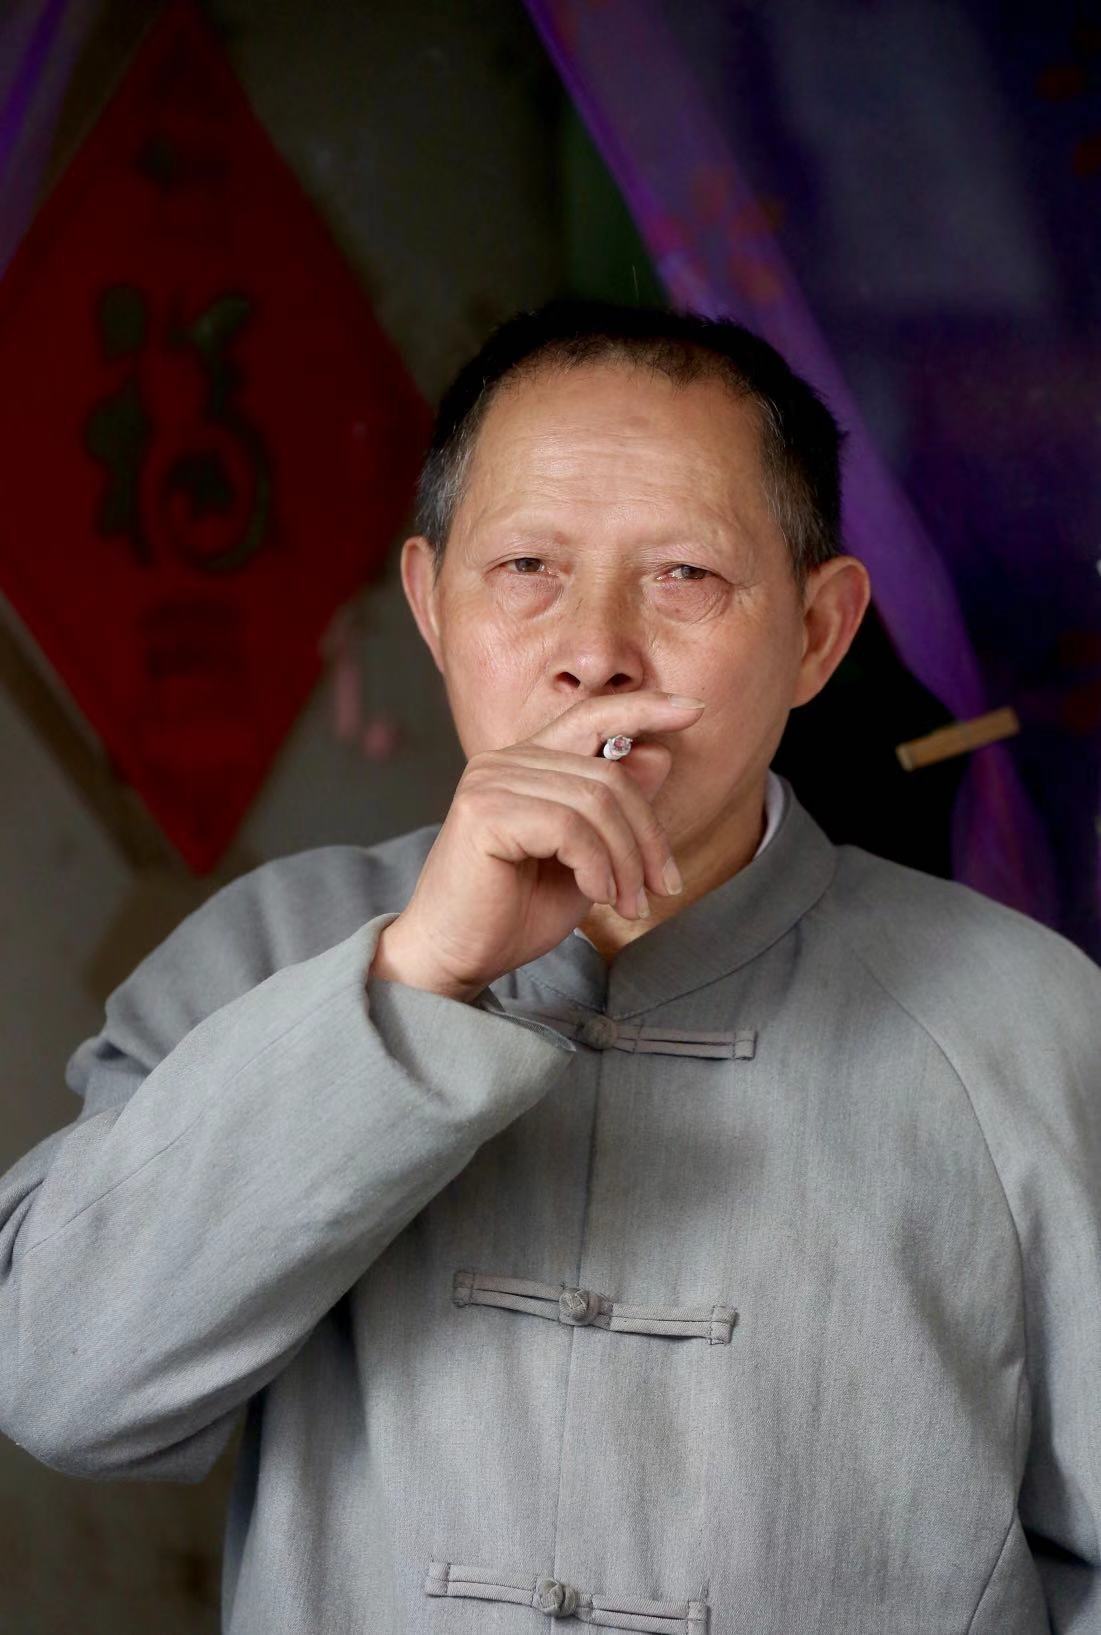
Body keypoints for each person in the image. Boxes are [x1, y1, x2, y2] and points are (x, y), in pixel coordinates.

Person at [1, 299, 1098, 1635]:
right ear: (431, 603)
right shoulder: (262, 953)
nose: (595, 654)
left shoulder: (1028, 1019)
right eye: (526, 566)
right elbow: (61, 1390)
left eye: (684, 575)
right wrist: (415, 979)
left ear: (818, 633)